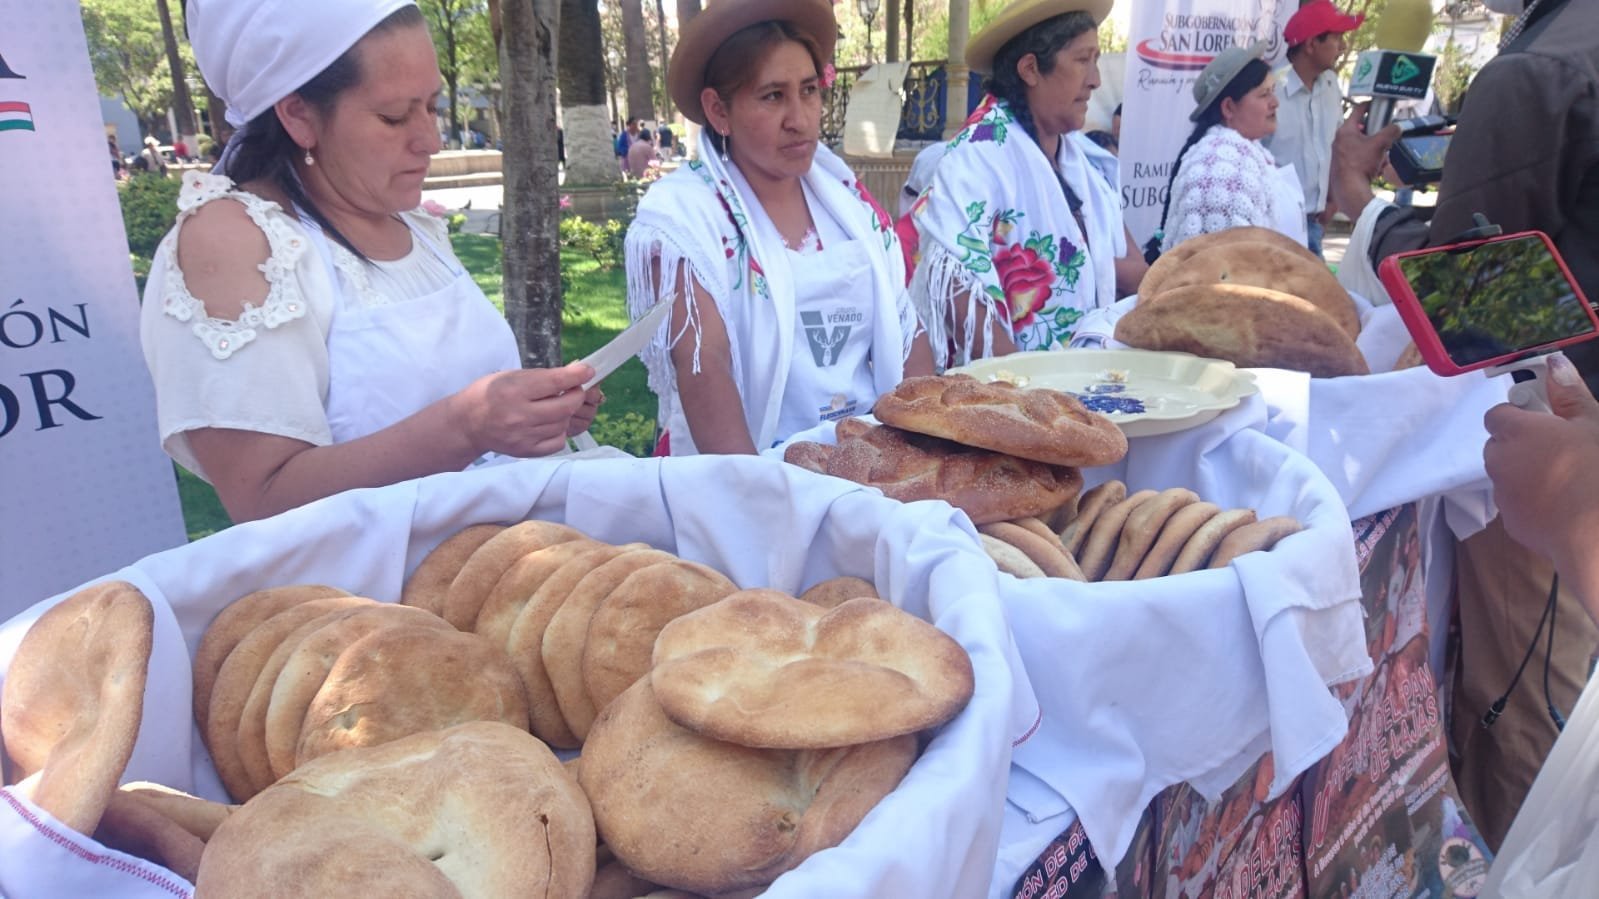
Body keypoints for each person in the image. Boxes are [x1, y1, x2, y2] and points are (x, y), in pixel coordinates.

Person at [141, 0, 601, 523]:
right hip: (380, 575)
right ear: (298, 116)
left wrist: (533, 414)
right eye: (394, 116)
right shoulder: (233, 242)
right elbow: (263, 499)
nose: (430, 141)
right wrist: (467, 426)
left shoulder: (410, 224)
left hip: (507, 549)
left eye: (432, 107)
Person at [1329, 0, 1599, 851]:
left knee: (1524, 705)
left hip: (1553, 442)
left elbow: (1463, 292)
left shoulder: (1539, 73)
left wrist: (1364, 210)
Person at [624, 0, 934, 456]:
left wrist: (924, 453)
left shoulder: (847, 202)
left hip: (873, 464)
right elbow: (704, 363)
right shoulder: (686, 217)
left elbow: (907, 331)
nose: (800, 119)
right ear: (718, 110)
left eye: (809, 90)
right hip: (753, 473)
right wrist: (762, 493)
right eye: (773, 96)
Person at [910, 0, 1147, 365]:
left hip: (1088, 379)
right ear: (1030, 69)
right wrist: (1028, 387)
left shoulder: (1086, 163)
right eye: (1083, 60)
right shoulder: (976, 158)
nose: (1095, 80)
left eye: (1096, 60)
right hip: (1009, 390)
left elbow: (1134, 266)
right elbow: (955, 290)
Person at [1155, 42, 1307, 255]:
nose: (1275, 103)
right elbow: (1230, 267)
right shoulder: (1221, 169)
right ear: (1228, 107)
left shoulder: (1248, 153)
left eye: (1273, 91)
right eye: (1264, 94)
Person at [1263, 0, 1364, 258]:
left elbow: (1335, 145)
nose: (1343, 47)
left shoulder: (1330, 84)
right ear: (1311, 45)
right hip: (1272, 228)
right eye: (1337, 38)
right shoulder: (1268, 90)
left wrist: (1332, 202)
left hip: (1316, 223)